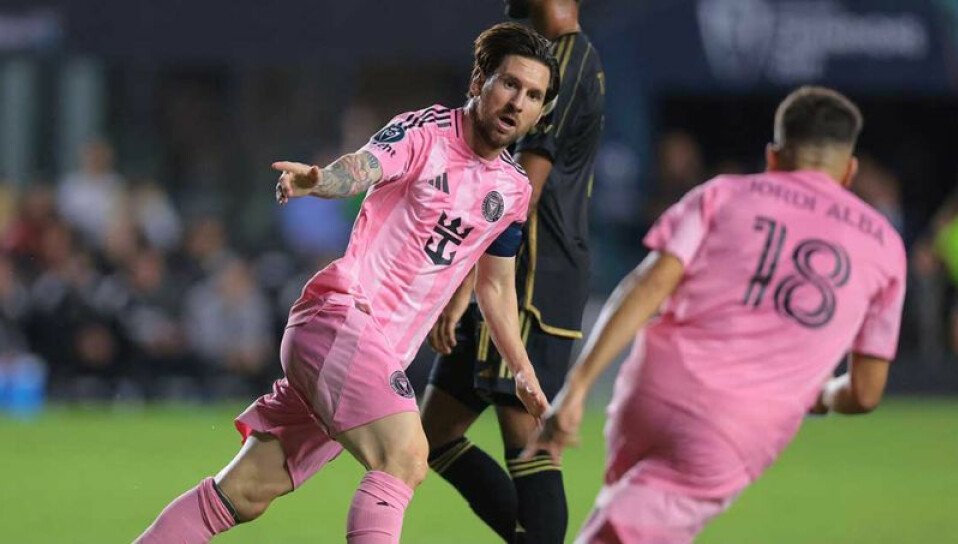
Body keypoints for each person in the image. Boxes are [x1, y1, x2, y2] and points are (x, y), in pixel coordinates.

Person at [135, 22, 558, 543]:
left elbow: (495, 287)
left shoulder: (513, 191)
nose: (517, 102)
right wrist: (323, 181)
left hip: (368, 356)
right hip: (340, 319)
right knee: (406, 456)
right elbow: (363, 167)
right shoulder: (425, 133)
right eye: (510, 83)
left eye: (533, 95)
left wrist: (521, 369)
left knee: (243, 493)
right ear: (479, 81)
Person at [527, 86, 907, 543]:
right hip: (731, 428)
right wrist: (822, 395)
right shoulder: (885, 246)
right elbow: (865, 392)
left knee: (623, 514)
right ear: (849, 171)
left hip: (650, 391)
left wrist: (578, 386)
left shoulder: (722, 194)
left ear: (773, 156)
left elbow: (647, 286)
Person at [420, 1, 604, 543]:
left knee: (526, 442)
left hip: (527, 276)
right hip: (524, 268)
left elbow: (523, 187)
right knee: (433, 435)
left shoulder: (562, 62)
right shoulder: (571, 57)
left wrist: (464, 282)